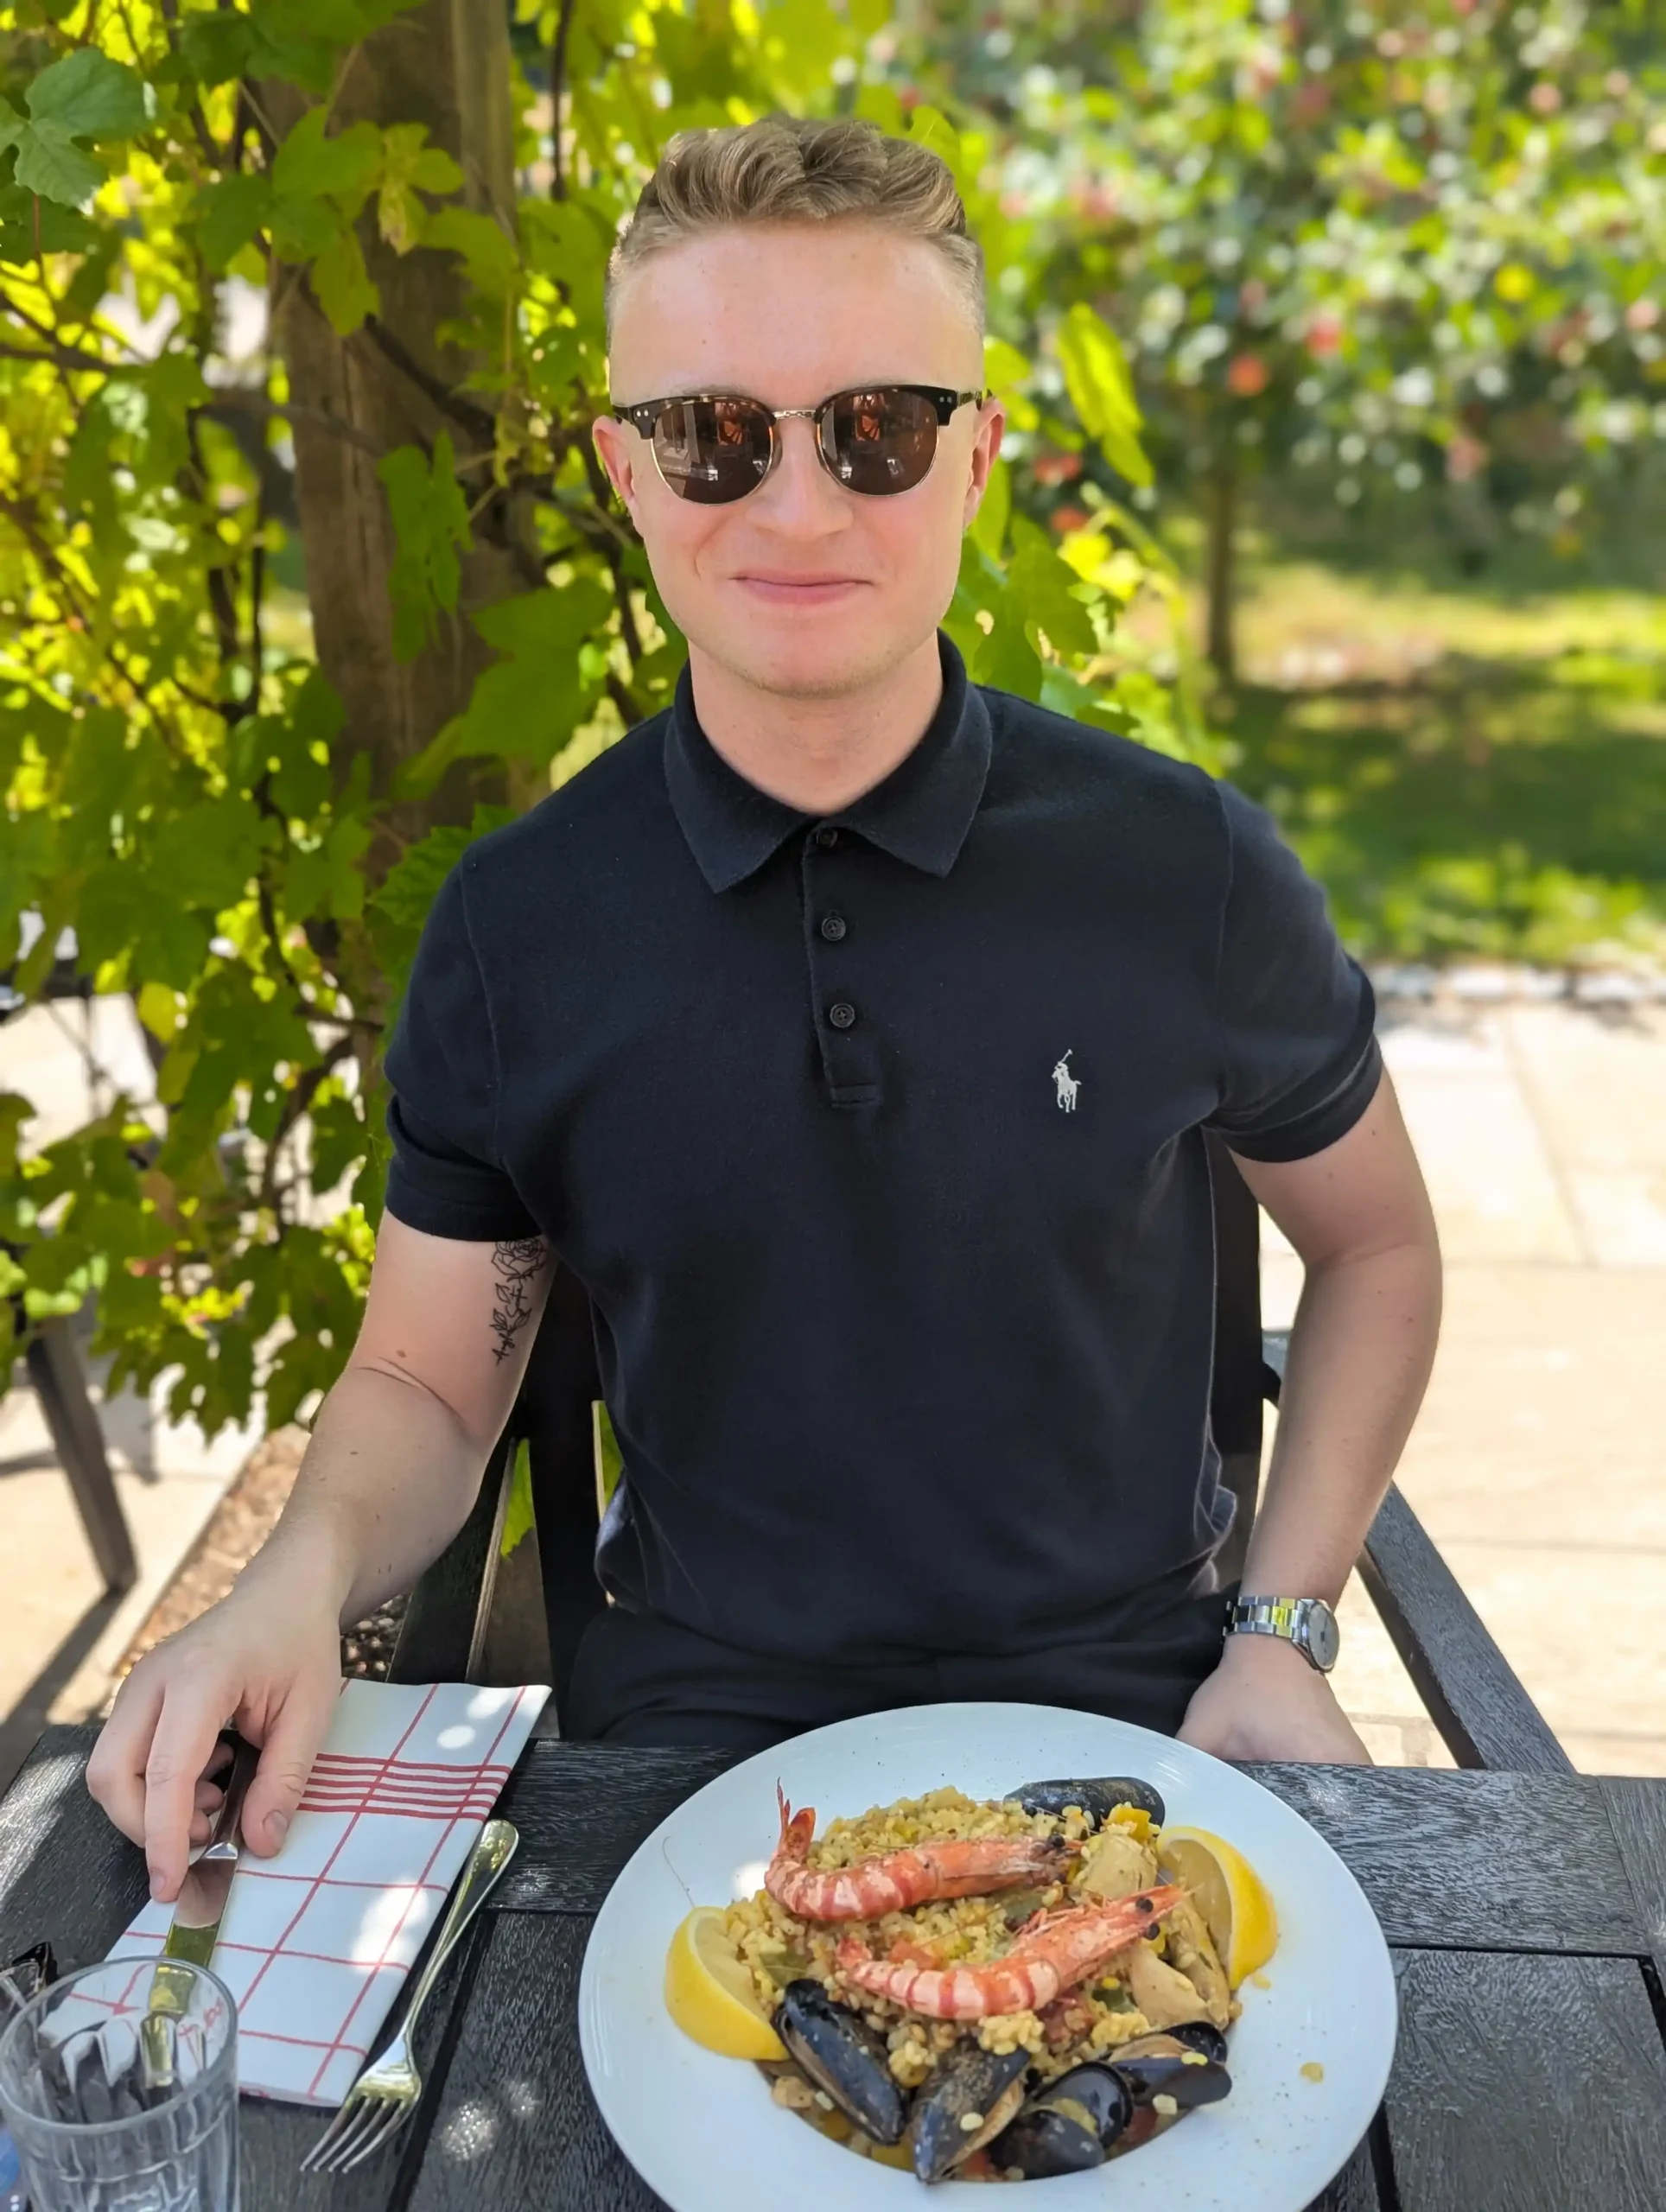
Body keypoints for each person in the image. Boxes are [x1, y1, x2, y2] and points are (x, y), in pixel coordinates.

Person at [89, 115, 1442, 1906]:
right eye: (714, 433)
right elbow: (425, 1373)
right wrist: (294, 1575)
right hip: (687, 1764)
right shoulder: (517, 929)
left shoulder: (1180, 870)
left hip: (1136, 1729)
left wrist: (1283, 1625)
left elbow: (1375, 1246)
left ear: (975, 460)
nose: (799, 505)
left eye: (877, 429)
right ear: (627, 471)